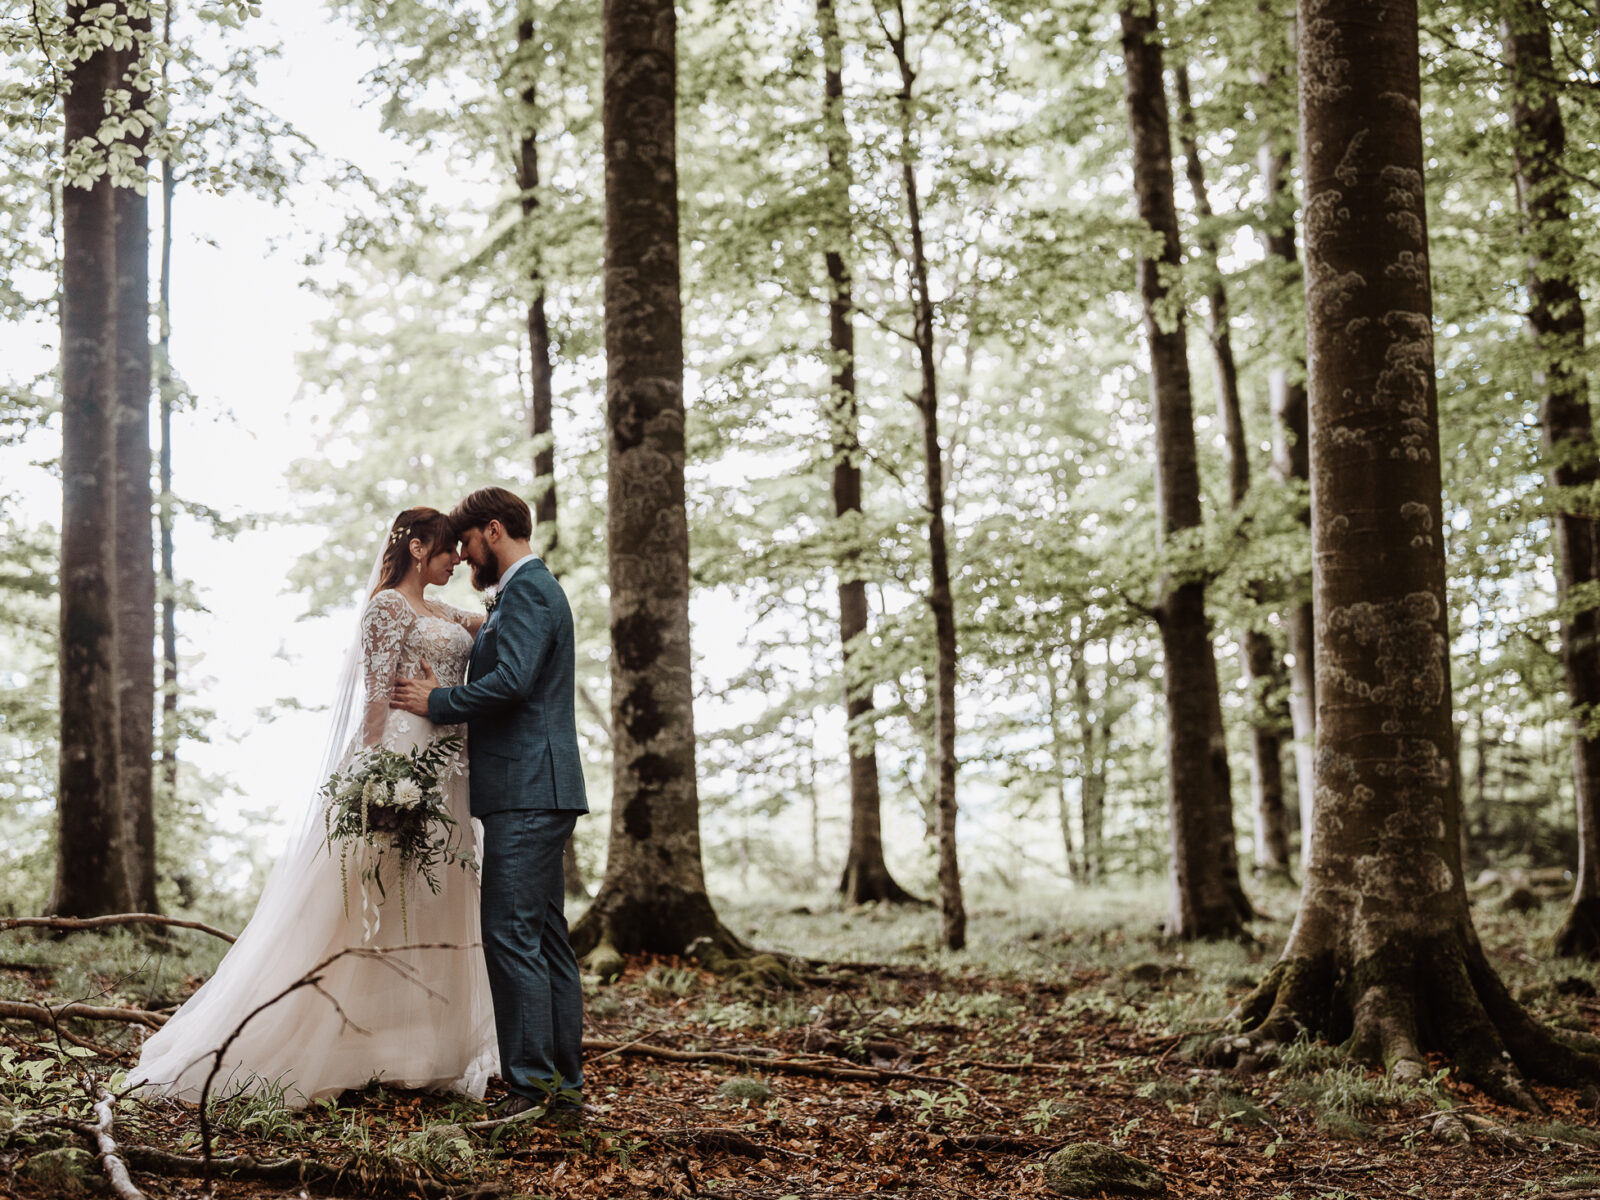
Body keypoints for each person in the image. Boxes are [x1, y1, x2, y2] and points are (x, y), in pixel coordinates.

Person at [128, 508, 497, 1106]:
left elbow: (489, 625)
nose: (458, 559)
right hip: (403, 761)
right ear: (417, 546)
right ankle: (332, 1043)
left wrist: (453, 678)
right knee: (370, 899)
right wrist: (375, 779)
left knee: (434, 899)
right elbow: (375, 700)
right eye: (450, 549)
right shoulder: (387, 608)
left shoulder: (444, 612)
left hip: (450, 766)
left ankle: (421, 1052)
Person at [391, 486, 588, 1119]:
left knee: (509, 935)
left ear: (494, 530)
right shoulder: (529, 591)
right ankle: (560, 1089)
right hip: (538, 788)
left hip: (530, 790)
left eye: (469, 541)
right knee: (544, 937)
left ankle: (532, 1089)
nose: (466, 554)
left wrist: (437, 702)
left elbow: (514, 681)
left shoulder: (529, 589)